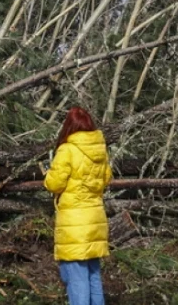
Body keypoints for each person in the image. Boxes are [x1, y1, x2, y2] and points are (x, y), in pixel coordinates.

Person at [43, 106, 112, 305]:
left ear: (68, 126)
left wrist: (47, 176)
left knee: (77, 279)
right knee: (93, 275)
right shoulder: (100, 150)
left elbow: (55, 183)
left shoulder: (67, 150)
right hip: (95, 220)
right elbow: (106, 178)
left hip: (74, 223)